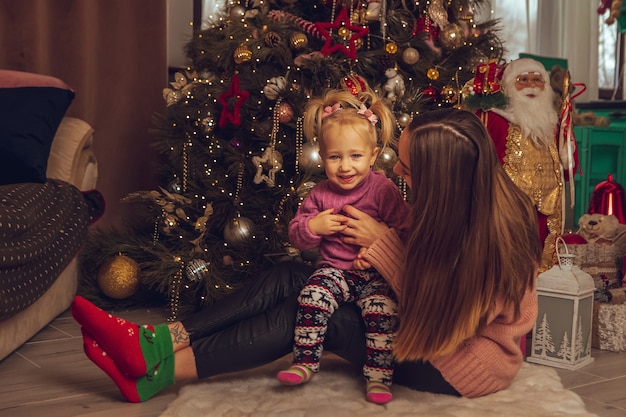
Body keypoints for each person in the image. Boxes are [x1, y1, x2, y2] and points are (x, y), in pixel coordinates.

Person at [71, 108, 541, 404]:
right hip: (428, 325)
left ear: (443, 179)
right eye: (397, 159)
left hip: (458, 360)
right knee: (296, 274)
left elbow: (439, 311)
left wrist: (381, 244)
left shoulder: (497, 235)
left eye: (407, 167)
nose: (395, 172)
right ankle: (158, 342)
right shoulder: (449, 202)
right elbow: (419, 255)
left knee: (315, 313)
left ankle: (157, 372)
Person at [277, 88, 409, 404]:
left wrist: (377, 247)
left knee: (383, 312)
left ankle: (379, 379)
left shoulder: (383, 190)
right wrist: (314, 226)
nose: (345, 167)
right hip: (334, 271)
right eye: (335, 157)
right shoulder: (320, 194)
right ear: (322, 158)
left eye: (355, 156)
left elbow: (406, 229)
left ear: (373, 156)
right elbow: (297, 234)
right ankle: (306, 361)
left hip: (376, 275)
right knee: (312, 296)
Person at [472, 57, 576, 271]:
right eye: (523, 79)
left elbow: (565, 169)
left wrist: (568, 148)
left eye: (537, 80)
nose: (531, 85)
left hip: (546, 211)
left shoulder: (552, 122)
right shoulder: (493, 119)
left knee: (543, 264)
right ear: (509, 85)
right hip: (507, 207)